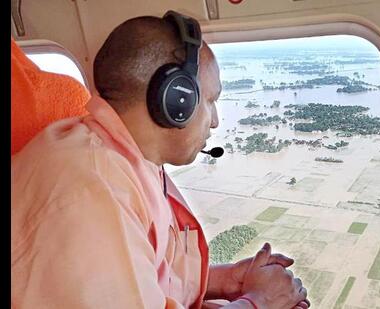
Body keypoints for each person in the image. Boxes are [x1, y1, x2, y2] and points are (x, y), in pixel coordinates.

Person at [11, 11, 309, 309]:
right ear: (177, 99)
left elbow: (149, 277)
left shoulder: (129, 163)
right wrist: (260, 302)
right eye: (210, 100)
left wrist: (225, 280)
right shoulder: (90, 189)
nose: (215, 121)